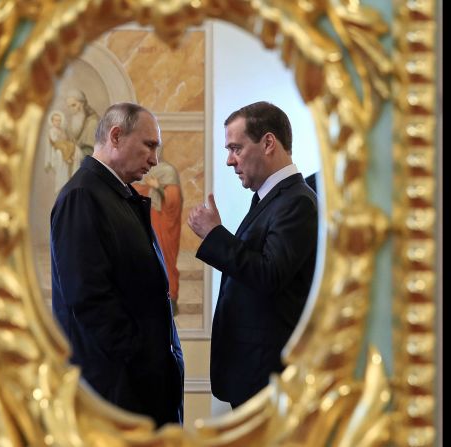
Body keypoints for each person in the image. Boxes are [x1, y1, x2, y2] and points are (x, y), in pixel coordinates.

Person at [50, 102, 184, 427]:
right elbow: (90, 299)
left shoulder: (114, 192)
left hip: (136, 381)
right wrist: (140, 359)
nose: (154, 159)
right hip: (117, 387)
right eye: (149, 145)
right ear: (115, 136)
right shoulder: (82, 196)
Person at [187, 101, 317, 409]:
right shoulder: (270, 199)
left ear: (268, 142)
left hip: (267, 375)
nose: (230, 161)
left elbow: (269, 275)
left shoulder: (296, 202)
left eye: (236, 148)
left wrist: (215, 235)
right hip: (250, 371)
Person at [132, 151, 183, 311]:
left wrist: (158, 188)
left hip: (165, 225)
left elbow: (173, 199)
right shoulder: (147, 171)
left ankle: (171, 301)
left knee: (166, 259)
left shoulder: (168, 172)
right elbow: (137, 191)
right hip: (152, 222)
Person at [65, 88, 100, 163]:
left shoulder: (93, 122)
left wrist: (75, 153)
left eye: (73, 105)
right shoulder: (70, 124)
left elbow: (93, 151)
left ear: (82, 104)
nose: (71, 109)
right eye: (69, 106)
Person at [45, 110, 75, 194]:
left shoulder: (61, 130)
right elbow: (54, 139)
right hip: (57, 144)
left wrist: (63, 136)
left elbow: (65, 137)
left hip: (63, 142)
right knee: (64, 148)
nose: (57, 122)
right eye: (55, 120)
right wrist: (59, 137)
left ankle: (69, 156)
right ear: (52, 121)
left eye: (59, 120)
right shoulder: (52, 130)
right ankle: (67, 158)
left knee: (71, 145)